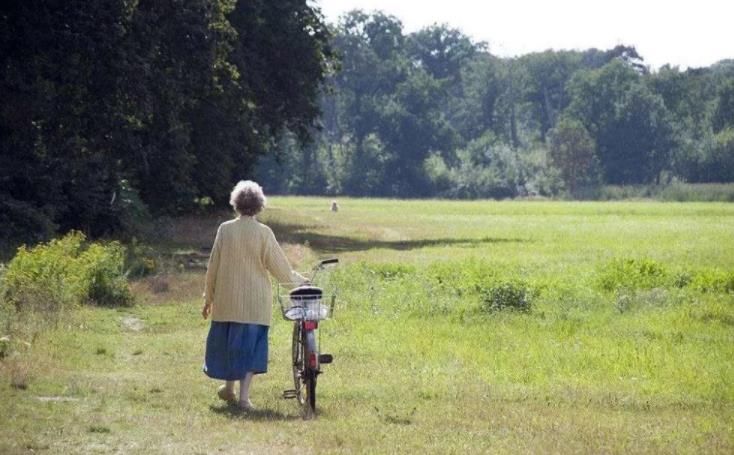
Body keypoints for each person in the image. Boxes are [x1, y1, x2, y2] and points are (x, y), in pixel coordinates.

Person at [201, 180, 306, 410]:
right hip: (255, 304)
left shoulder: (225, 230)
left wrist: (208, 299)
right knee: (250, 350)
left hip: (227, 302)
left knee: (230, 346)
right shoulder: (263, 233)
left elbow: (213, 267)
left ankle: (229, 389)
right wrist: (300, 285)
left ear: (236, 204)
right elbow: (281, 269)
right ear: (259, 206)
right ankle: (243, 398)